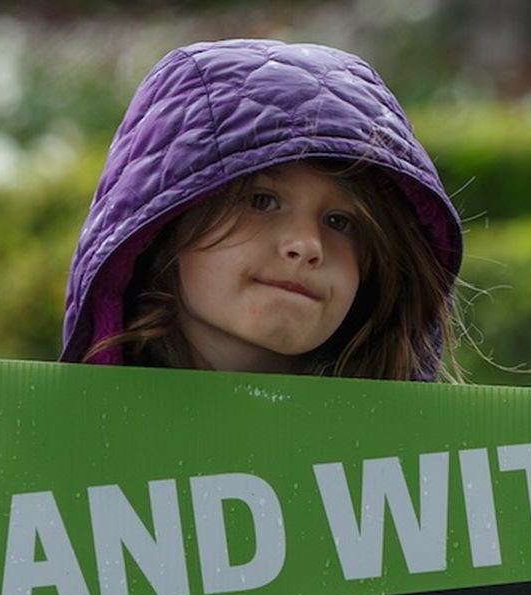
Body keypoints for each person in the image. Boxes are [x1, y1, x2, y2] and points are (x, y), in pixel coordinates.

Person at [59, 39, 464, 381]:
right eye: (262, 201)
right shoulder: (55, 457)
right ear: (165, 225)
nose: (307, 245)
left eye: (339, 222)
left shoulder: (415, 467)